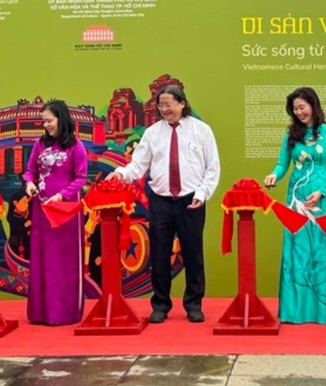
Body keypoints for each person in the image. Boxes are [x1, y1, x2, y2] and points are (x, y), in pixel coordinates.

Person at [106, 85, 220, 324]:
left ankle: (193, 305)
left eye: (169, 104)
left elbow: (212, 168)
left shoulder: (202, 130)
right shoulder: (152, 133)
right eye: (161, 105)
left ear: (182, 103)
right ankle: (160, 304)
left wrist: (202, 193)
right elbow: (138, 166)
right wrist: (119, 174)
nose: (164, 109)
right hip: (160, 201)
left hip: (192, 200)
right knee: (159, 255)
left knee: (193, 254)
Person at [263, 87, 326, 324]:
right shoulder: (291, 135)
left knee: (321, 249)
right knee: (297, 251)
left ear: (313, 105)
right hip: (296, 198)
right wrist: (273, 176)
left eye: (302, 107)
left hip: (323, 198)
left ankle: (324, 310)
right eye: (295, 109)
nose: (299, 112)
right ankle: (295, 311)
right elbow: (281, 165)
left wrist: (322, 192)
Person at [23, 99, 88, 325]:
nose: (46, 126)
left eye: (49, 120)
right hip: (42, 210)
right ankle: (42, 313)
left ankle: (64, 313)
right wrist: (29, 184)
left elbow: (81, 178)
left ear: (62, 118)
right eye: (44, 122)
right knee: (44, 260)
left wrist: (61, 195)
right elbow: (29, 171)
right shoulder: (39, 144)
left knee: (63, 262)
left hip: (65, 212)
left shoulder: (76, 146)